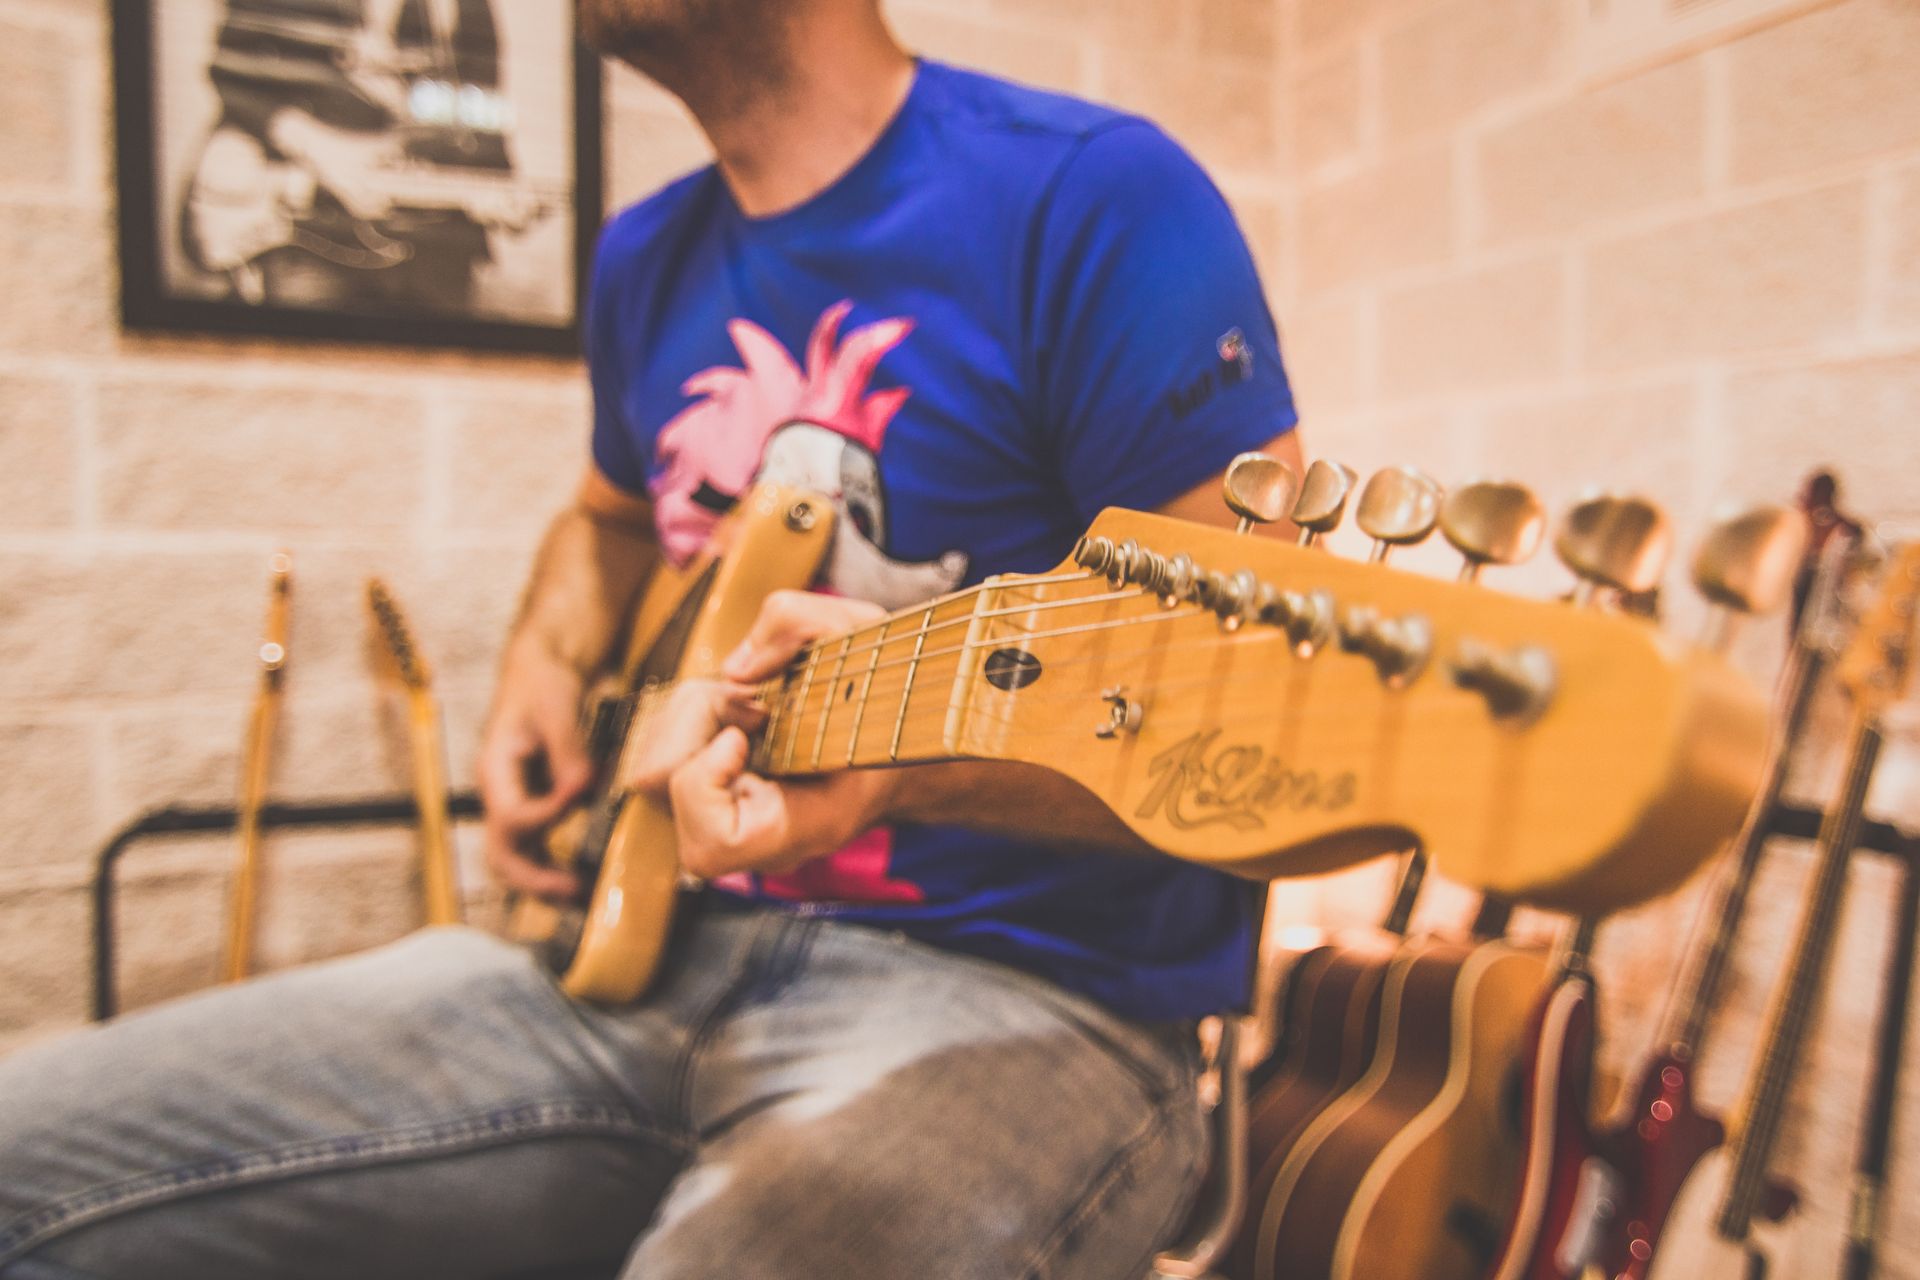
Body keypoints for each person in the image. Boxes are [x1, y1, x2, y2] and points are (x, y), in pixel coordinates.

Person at [0, 0, 1304, 1275]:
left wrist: (904, 771)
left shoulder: (1099, 197)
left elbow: (1240, 711)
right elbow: (609, 524)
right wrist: (546, 668)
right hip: (642, 943)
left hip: (1037, 996)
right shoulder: (643, 257)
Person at [186, 0, 533, 310]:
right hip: (314, 240)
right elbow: (231, 72)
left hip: (435, 256)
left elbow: (483, 108)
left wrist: (496, 186)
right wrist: (322, 152)